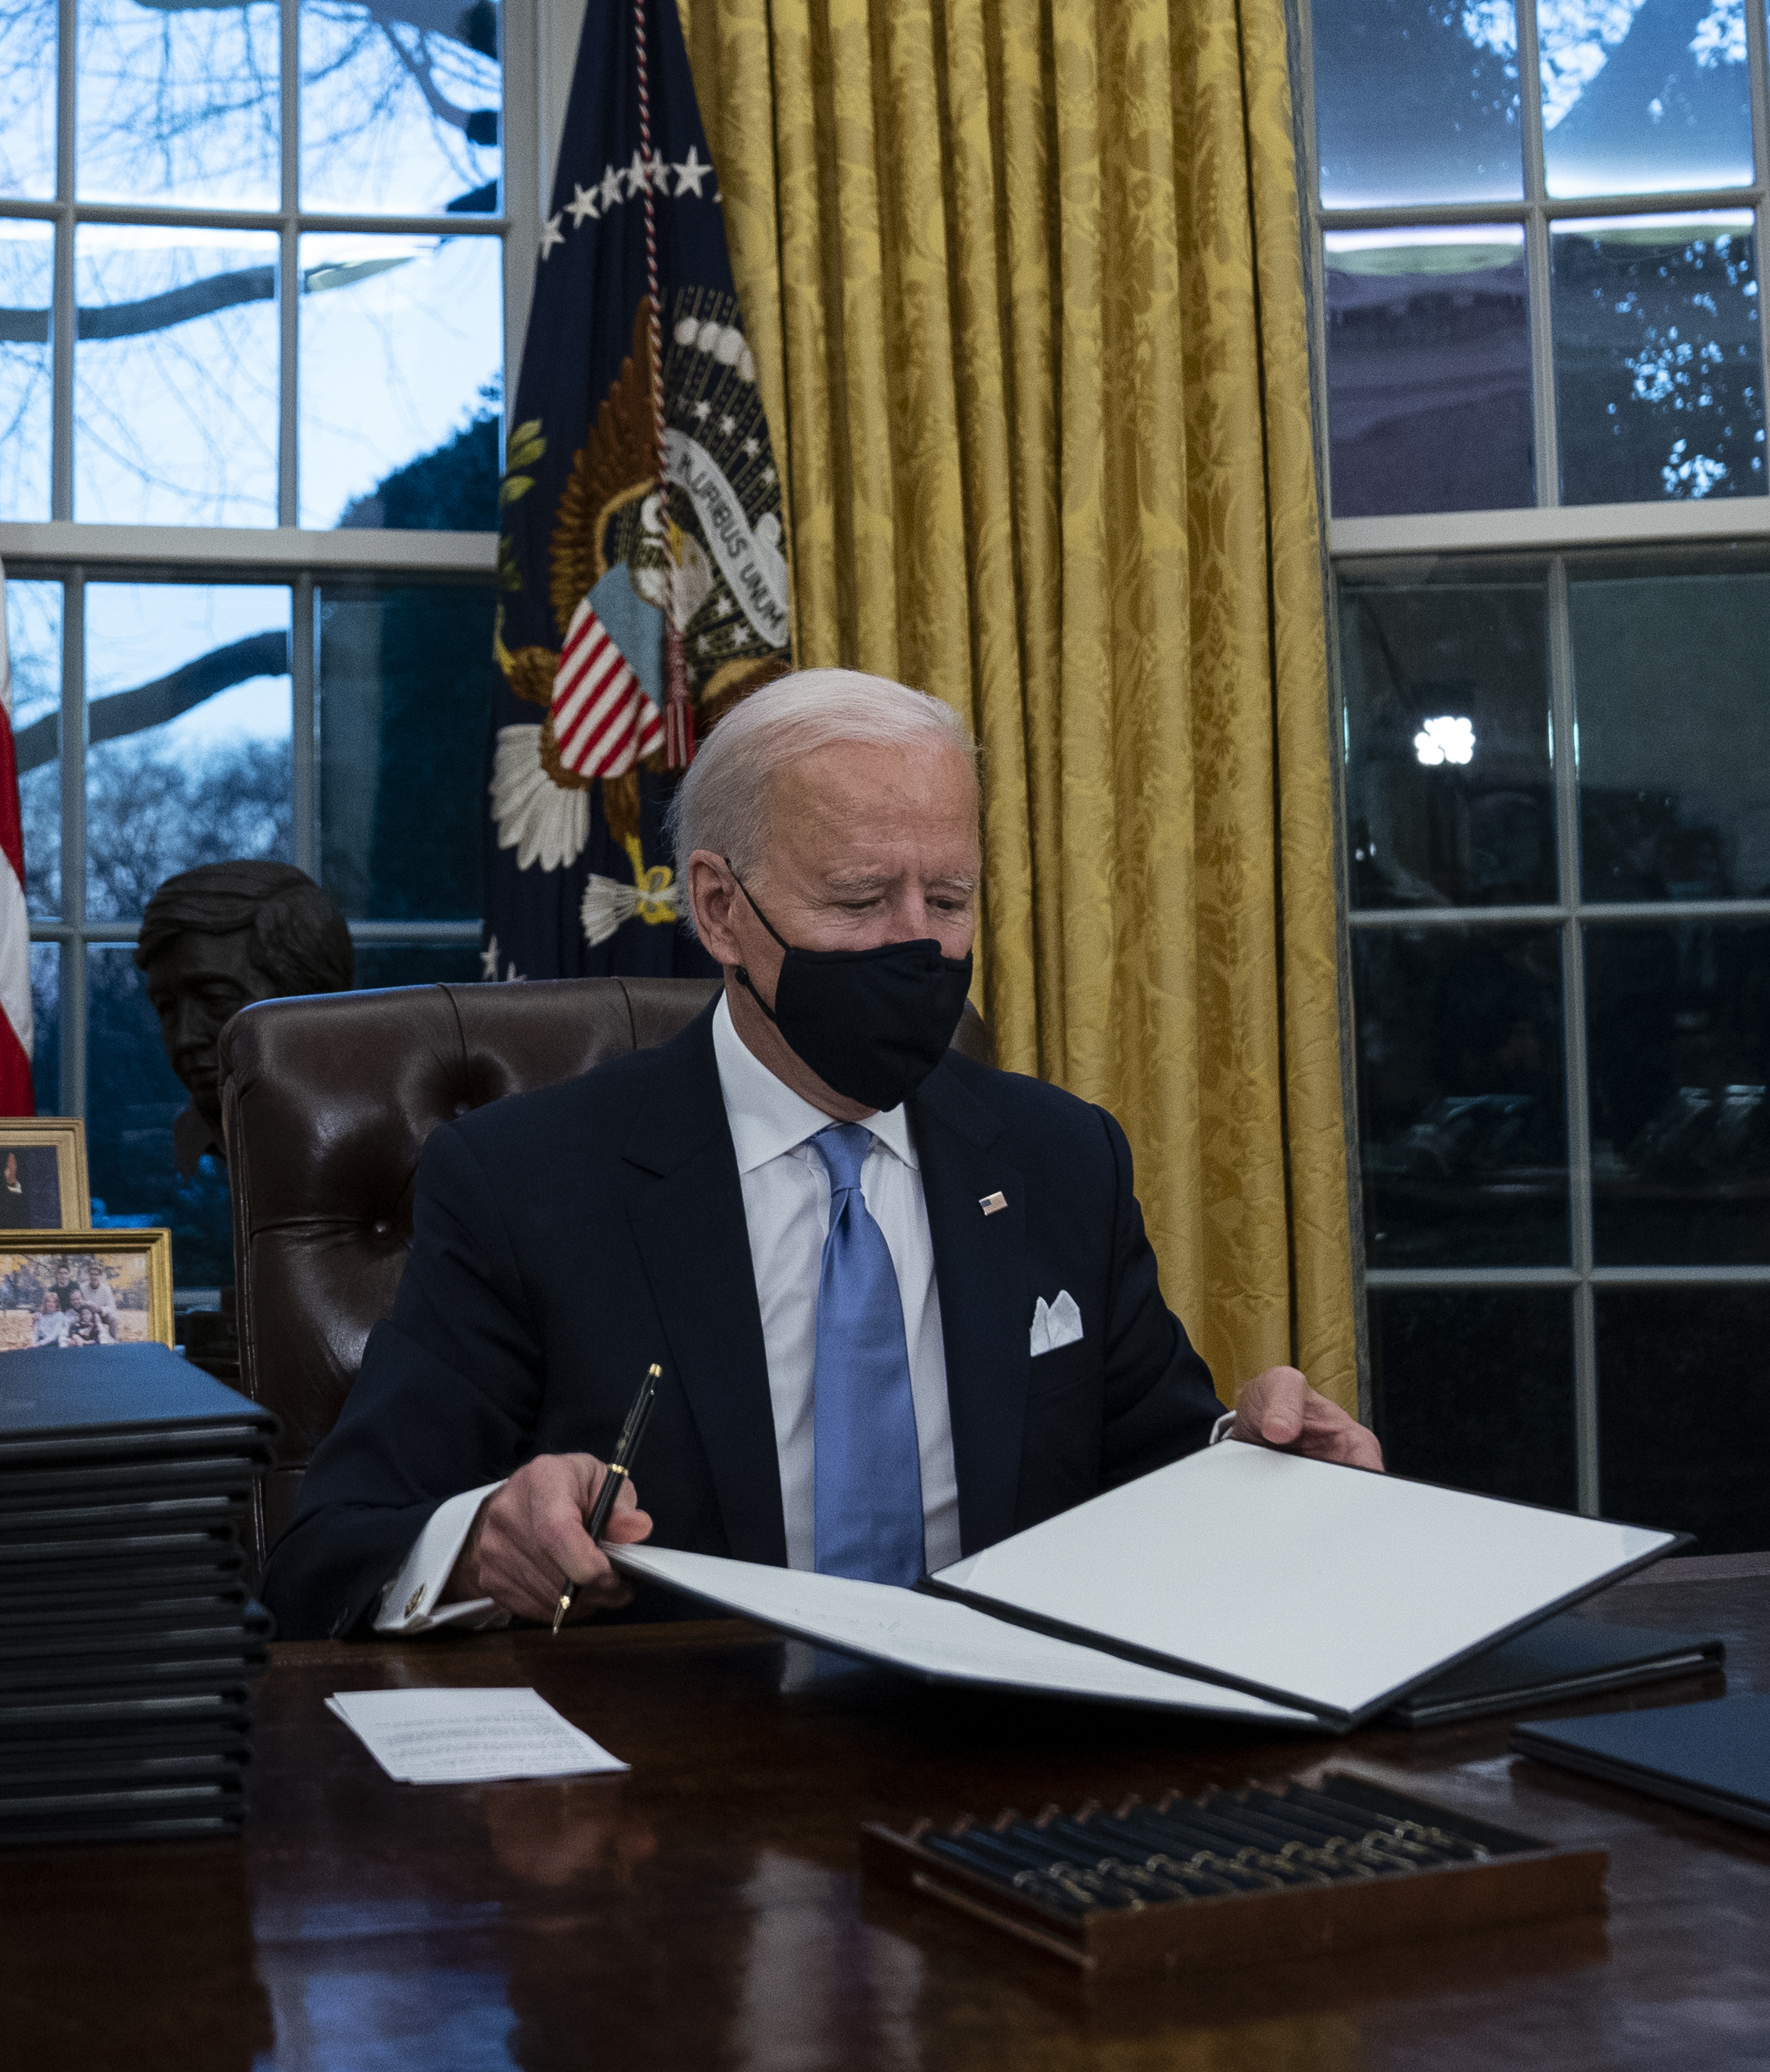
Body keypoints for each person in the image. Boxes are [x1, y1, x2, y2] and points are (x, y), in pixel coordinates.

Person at [257, 668, 1379, 1637]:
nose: (918, 942)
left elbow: (1152, 1471)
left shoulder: (1057, 1158)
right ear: (719, 909)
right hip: (682, 1793)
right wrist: (485, 1542)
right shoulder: (527, 1184)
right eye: (859, 898)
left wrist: (1260, 1465)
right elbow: (336, 1553)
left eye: (948, 897)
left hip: (1004, 1760)